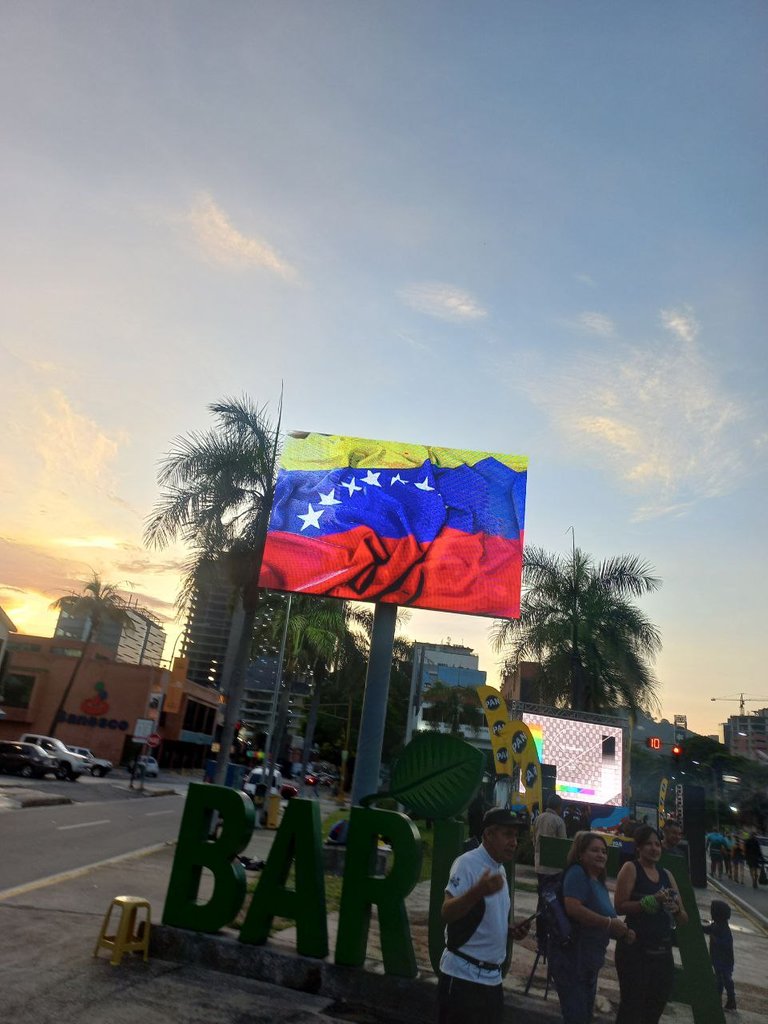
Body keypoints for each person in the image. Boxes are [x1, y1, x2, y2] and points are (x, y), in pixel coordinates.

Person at [438, 808, 532, 1024]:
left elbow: (486, 917)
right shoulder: (467, 863)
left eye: (516, 837)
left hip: (492, 980)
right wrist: (477, 891)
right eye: (508, 835)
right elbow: (447, 912)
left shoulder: (499, 869)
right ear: (489, 834)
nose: (514, 842)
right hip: (462, 978)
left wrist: (510, 930)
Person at [548, 831, 634, 1024]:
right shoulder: (578, 873)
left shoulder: (599, 882)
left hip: (590, 962)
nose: (601, 855)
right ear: (580, 854)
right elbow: (573, 908)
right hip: (573, 960)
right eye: (594, 850)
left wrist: (624, 930)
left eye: (604, 851)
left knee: (584, 1016)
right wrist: (610, 923)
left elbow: (608, 916)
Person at [613, 824, 688, 1024]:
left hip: (662, 953)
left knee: (655, 1008)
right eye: (648, 844)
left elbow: (683, 917)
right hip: (635, 951)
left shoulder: (667, 875)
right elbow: (619, 906)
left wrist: (677, 910)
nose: (654, 848)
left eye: (657, 844)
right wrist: (650, 901)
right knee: (631, 1008)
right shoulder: (631, 868)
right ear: (638, 847)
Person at [532, 794, 567, 951]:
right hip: (554, 869)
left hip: (539, 866)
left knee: (541, 901)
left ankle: (540, 939)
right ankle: (552, 937)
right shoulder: (558, 821)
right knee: (553, 903)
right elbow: (562, 846)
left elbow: (534, 839)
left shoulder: (538, 818)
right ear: (559, 807)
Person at [702, 899, 736, 1011]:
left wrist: (714, 939)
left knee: (726, 979)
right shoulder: (716, 925)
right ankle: (718, 1000)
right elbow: (707, 929)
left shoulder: (724, 928)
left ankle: (731, 1000)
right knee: (719, 980)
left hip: (725, 960)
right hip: (717, 959)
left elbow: (725, 943)